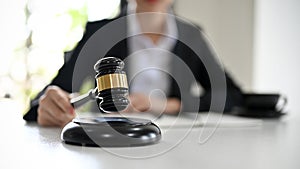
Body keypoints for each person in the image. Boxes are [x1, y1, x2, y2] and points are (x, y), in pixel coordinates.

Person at [23, 0, 243, 127]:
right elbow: (40, 105)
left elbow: (232, 96)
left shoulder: (192, 36)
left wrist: (163, 104)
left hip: (179, 147)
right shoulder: (99, 34)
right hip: (111, 148)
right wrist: (50, 106)